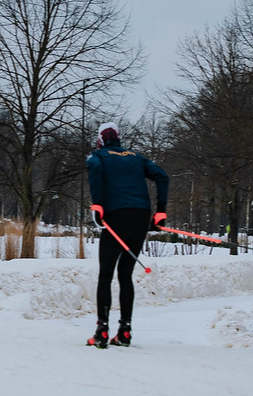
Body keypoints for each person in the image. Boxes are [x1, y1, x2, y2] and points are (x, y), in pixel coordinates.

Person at [85, 122, 169, 348]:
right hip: (141, 216)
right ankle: (125, 331)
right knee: (125, 274)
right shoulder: (136, 157)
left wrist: (98, 205)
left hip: (116, 216)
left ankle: (102, 331)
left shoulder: (97, 156)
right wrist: (160, 211)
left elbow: (95, 171)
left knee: (106, 274)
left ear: (100, 139)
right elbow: (162, 176)